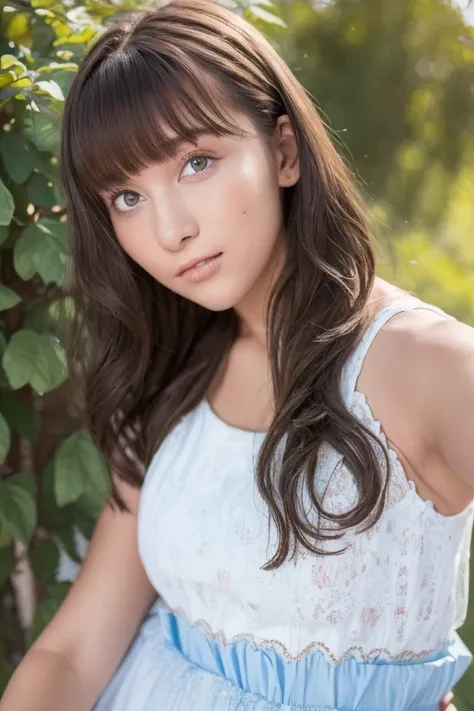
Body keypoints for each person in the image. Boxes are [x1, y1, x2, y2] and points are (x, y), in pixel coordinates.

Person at [1, 1, 473, 709]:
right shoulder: (173, 371)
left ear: (284, 151)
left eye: (197, 162)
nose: (170, 229)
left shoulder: (424, 364)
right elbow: (74, 653)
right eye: (127, 196)